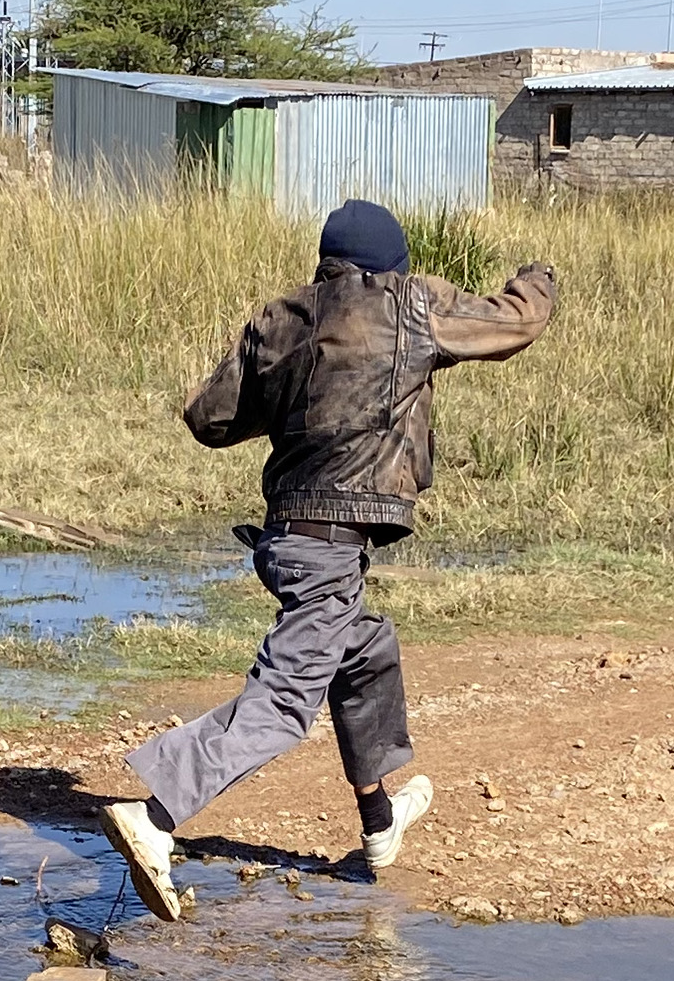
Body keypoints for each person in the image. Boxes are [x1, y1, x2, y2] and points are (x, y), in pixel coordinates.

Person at [103, 199, 556, 921]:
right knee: (285, 701)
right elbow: (516, 321)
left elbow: (208, 419)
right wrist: (542, 277)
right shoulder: (408, 304)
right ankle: (154, 819)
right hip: (326, 546)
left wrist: (293, 395)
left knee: (365, 652)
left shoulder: (283, 318)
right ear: (391, 266)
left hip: (290, 539)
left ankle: (378, 823)